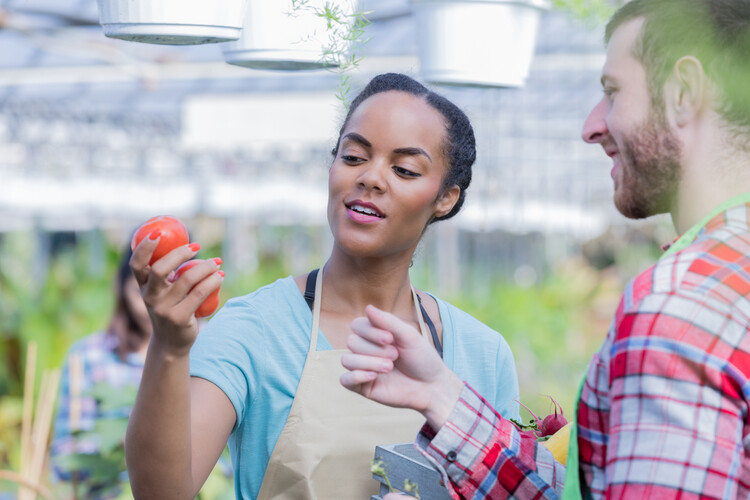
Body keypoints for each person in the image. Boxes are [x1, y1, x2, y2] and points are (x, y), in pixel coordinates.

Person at [340, 1, 750, 498]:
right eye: (353, 155)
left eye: (613, 93)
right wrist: (439, 394)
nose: (591, 126)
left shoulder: (681, 304)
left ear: (684, 92)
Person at [125, 72, 521, 499]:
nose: (371, 177)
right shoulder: (254, 330)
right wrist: (169, 345)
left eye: (404, 169)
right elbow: (162, 493)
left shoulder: (484, 354)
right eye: (353, 157)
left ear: (446, 198)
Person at [51, 246, 151, 497]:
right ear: (121, 287)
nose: (154, 301)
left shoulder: (207, 352)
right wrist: (123, 444)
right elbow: (65, 458)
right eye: (143, 289)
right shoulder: (89, 355)